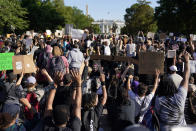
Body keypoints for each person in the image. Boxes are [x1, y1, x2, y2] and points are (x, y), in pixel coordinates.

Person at [155, 52, 190, 131]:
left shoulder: (159, 100)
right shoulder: (180, 97)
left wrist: (156, 79)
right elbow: (186, 77)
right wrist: (187, 62)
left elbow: (156, 114)